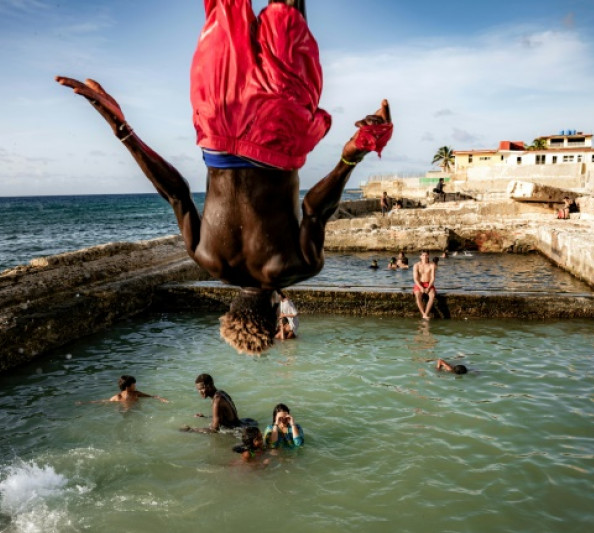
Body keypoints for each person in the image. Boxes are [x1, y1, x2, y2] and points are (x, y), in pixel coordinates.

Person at [56, 0, 392, 356]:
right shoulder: (205, 257)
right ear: (231, 308)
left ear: (277, 311)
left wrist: (352, 154)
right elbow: (175, 193)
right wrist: (122, 129)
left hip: (277, 130)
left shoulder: (299, 266)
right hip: (217, 119)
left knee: (286, 10)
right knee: (223, 8)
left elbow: (314, 208)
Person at [182, 374, 247, 433]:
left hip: (237, 432)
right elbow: (225, 418)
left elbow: (214, 429)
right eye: (198, 389)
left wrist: (191, 429)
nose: (199, 392)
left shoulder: (217, 401)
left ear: (209, 386)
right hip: (240, 425)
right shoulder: (221, 393)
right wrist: (205, 417)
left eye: (201, 389)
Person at [78, 375, 169, 405]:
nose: (135, 385)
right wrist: (161, 398)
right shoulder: (136, 393)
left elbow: (103, 401)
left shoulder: (118, 396)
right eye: (134, 383)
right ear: (128, 386)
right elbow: (152, 396)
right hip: (135, 412)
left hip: (122, 411)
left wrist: (86, 403)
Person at [413, 251, 437, 320]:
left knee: (432, 296)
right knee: (417, 296)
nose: (424, 257)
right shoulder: (416, 265)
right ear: (420, 256)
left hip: (428, 283)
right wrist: (421, 287)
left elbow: (432, 278)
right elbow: (415, 278)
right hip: (419, 283)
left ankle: (426, 313)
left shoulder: (432, 265)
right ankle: (423, 314)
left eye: (426, 255)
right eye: (423, 255)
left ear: (428, 256)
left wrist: (429, 287)